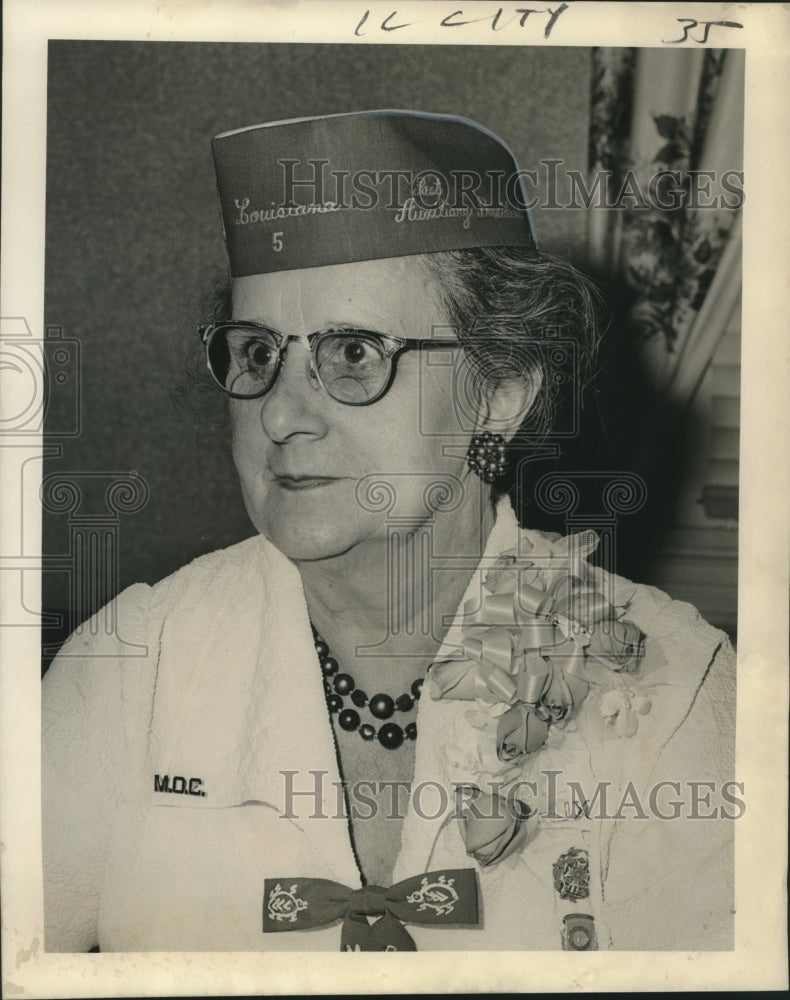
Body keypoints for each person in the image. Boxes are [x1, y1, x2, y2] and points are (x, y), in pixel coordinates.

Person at [42, 110, 736, 952]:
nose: (284, 413)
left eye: (355, 354)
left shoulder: (669, 688)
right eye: (258, 353)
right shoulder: (130, 667)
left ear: (501, 391)